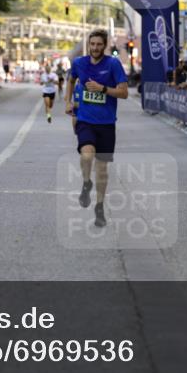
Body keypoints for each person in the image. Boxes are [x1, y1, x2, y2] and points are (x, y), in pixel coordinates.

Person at [64, 29, 128, 228]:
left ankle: (99, 207)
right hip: (85, 120)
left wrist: (103, 89)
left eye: (99, 44)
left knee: (101, 168)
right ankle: (86, 182)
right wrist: (68, 101)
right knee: (86, 154)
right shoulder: (79, 63)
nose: (95, 48)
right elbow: (71, 80)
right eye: (92, 44)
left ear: (105, 45)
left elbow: (124, 93)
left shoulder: (113, 64)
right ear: (88, 45)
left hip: (107, 123)